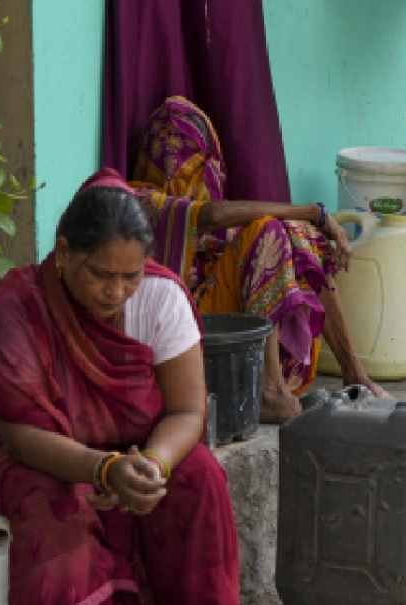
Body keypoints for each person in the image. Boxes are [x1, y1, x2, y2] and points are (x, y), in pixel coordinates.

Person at [0, 184, 248, 605]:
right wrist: (104, 470)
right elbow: (20, 434)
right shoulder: (18, 305)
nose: (115, 292)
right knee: (57, 498)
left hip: (132, 448)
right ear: (64, 253)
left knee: (199, 476)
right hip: (20, 450)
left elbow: (187, 411)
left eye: (131, 276)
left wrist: (152, 467)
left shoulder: (161, 298)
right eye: (100, 275)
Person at [119, 95, 386, 423]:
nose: (180, 173)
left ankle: (354, 374)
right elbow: (211, 215)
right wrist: (311, 212)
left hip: (225, 322)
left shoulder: (222, 225)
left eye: (195, 166)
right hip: (181, 330)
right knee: (268, 232)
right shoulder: (139, 200)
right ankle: (268, 392)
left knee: (300, 237)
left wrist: (306, 225)